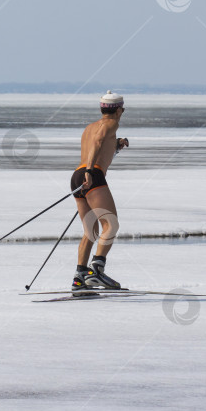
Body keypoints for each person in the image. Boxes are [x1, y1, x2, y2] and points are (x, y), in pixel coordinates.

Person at [69, 90, 129, 294]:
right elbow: (97, 143)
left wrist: (116, 145)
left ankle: (79, 279)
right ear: (118, 110)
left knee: (90, 231)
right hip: (91, 176)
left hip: (77, 177)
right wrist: (89, 172)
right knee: (110, 224)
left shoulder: (90, 127)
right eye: (123, 109)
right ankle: (97, 269)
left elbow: (96, 145)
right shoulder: (111, 123)